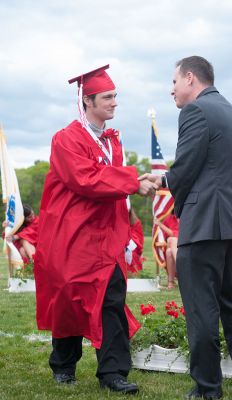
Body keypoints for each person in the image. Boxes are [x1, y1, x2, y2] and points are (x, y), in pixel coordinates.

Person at [139, 56, 232, 399]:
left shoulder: (194, 111)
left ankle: (208, 387)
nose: (172, 90)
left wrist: (163, 179)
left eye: (175, 82)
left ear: (191, 78)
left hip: (206, 221)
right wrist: (168, 177)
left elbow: (188, 166)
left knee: (201, 308)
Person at [34, 65, 157, 394]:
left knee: (111, 301)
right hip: (73, 237)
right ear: (87, 101)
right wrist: (133, 180)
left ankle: (113, 372)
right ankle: (63, 364)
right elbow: (85, 179)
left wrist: (130, 202)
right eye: (107, 97)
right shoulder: (66, 139)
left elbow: (110, 184)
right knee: (70, 301)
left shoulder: (112, 141)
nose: (115, 102)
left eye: (116, 96)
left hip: (106, 238)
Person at [154, 211, 179, 289]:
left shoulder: (188, 216)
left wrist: (160, 224)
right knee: (169, 251)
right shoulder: (169, 218)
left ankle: (171, 282)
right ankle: (171, 282)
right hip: (174, 249)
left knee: (172, 240)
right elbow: (164, 237)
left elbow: (175, 234)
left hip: (186, 246)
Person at [126, 208, 144, 274]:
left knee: (131, 253)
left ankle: (132, 272)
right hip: (119, 245)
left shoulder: (136, 222)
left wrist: (127, 238)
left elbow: (139, 238)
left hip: (132, 246)